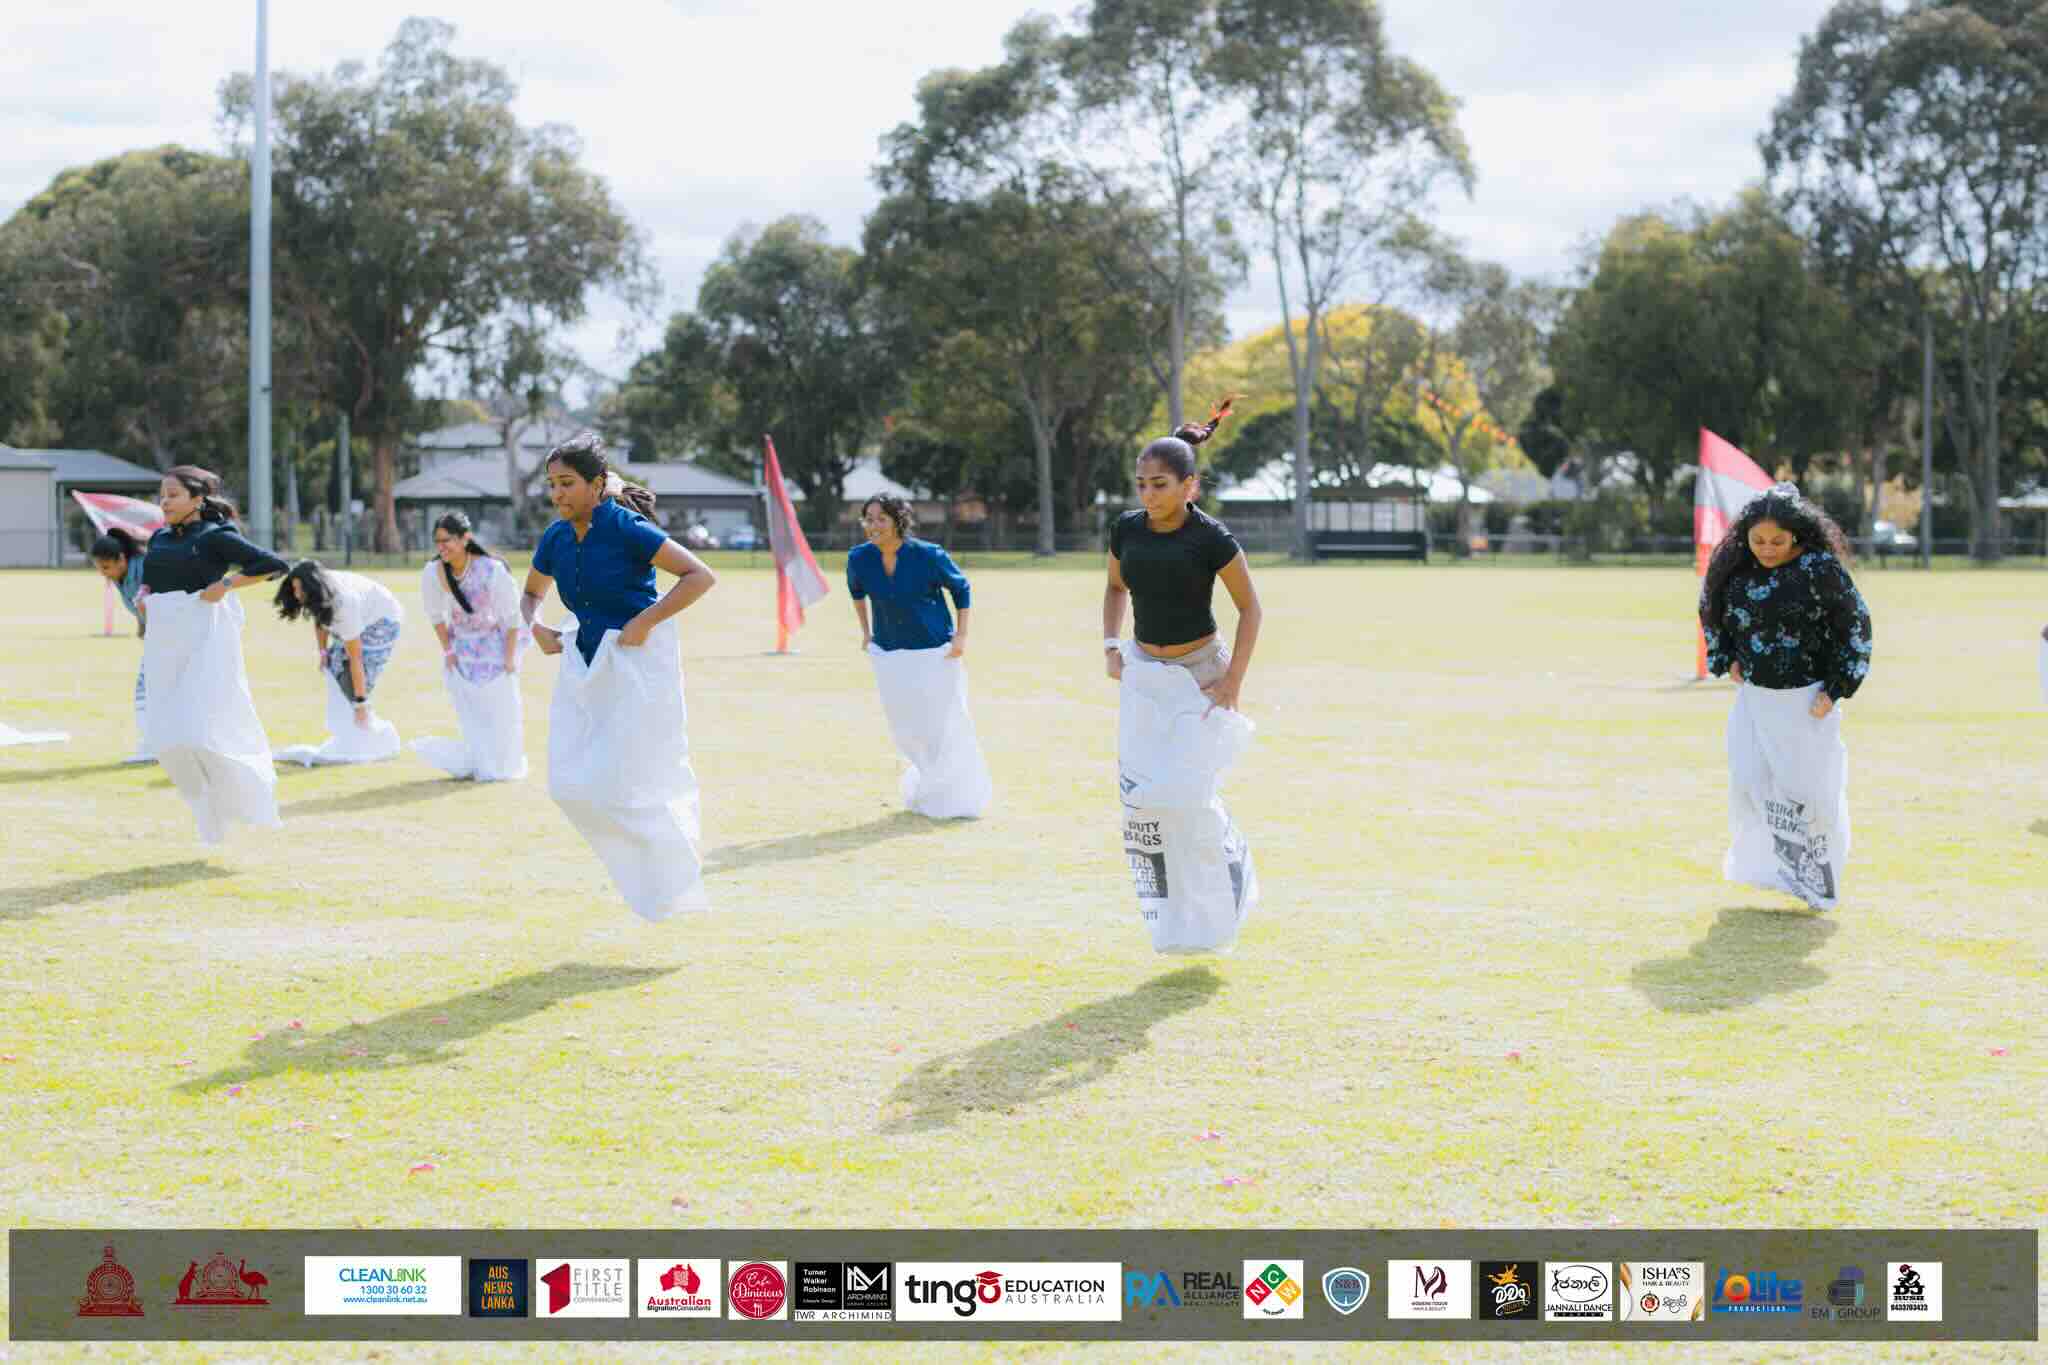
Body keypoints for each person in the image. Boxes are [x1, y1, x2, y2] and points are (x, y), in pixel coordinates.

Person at [522, 432, 718, 920]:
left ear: (595, 483)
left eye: (567, 483)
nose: (558, 494)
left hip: (638, 665)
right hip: (583, 663)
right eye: (552, 485)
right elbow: (528, 594)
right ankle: (661, 873)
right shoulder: (556, 536)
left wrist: (644, 621)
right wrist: (535, 628)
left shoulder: (626, 527)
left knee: (627, 781)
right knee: (568, 786)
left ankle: (674, 876)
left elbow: (699, 575)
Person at [1102, 400, 1264, 952]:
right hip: (1146, 674)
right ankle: (1177, 914)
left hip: (1202, 674)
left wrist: (1233, 681)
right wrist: (1111, 646)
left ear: (1189, 485)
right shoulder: (1127, 530)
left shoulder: (1210, 538)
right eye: (1142, 484)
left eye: (1161, 485)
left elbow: (1252, 609)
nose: (1149, 495)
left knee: (1190, 794)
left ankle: (1228, 873)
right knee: (1147, 796)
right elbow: (1115, 588)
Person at [1699, 481, 1872, 912]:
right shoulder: (1736, 567)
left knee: (1808, 795)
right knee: (1751, 783)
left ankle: (1819, 883)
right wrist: (1725, 657)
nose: (1767, 548)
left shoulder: (1820, 570)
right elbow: (1711, 610)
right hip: (1755, 699)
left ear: (1797, 534)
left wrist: (1837, 688)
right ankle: (1777, 870)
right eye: (1758, 540)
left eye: (1778, 540)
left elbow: (1855, 625)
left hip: (1807, 701)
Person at [139, 465, 290, 844]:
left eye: (173, 494)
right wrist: (143, 595)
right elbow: (152, 577)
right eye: (162, 494)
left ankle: (235, 801)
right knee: (163, 736)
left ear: (197, 499)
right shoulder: (157, 538)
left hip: (205, 641)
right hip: (163, 644)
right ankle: (205, 804)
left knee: (199, 731)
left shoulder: (213, 536)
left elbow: (272, 565)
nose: (164, 501)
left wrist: (225, 584)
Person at [847, 493, 991, 818]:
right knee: (907, 728)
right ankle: (928, 785)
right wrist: (866, 632)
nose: (873, 526)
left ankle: (958, 796)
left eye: (881, 519)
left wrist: (962, 635)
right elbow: (857, 593)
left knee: (945, 724)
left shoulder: (928, 555)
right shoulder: (859, 558)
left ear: (899, 521)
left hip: (935, 653)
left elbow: (961, 589)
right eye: (868, 519)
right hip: (890, 654)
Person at [413, 511, 528, 781]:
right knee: (470, 707)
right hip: (462, 644)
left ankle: (502, 760)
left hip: (496, 641)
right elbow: (435, 616)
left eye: (447, 540)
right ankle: (481, 758)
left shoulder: (492, 570)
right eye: (437, 541)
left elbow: (511, 618)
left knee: (500, 706)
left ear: (465, 539)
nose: (441, 547)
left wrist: (509, 658)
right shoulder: (435, 572)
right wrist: (448, 651)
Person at [271, 560, 406, 764]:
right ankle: (355, 727)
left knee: (352, 683)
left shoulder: (344, 603)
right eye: (295, 589)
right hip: (361, 613)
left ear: (313, 587)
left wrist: (360, 702)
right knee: (334, 668)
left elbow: (356, 657)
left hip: (382, 619)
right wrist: (323, 652)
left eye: (300, 590)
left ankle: (373, 733)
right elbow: (321, 618)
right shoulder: (321, 592)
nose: (297, 595)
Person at [90, 527, 154, 763]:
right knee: (149, 691)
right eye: (99, 568)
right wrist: (143, 626)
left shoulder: (145, 567)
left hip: (174, 638)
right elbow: (139, 607)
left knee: (145, 691)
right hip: (158, 640)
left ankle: (150, 748)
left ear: (122, 559)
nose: (103, 574)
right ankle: (152, 747)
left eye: (106, 567)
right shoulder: (121, 576)